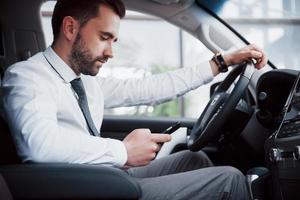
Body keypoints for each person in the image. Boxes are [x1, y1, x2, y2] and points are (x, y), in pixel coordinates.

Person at [2, 0, 267, 199]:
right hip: (79, 188)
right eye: (104, 38)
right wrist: (123, 151)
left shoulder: (86, 81)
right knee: (229, 179)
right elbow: (39, 146)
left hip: (102, 175)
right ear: (70, 28)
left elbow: (150, 88)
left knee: (194, 159)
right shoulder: (28, 76)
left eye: (114, 40)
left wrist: (222, 62)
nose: (110, 52)